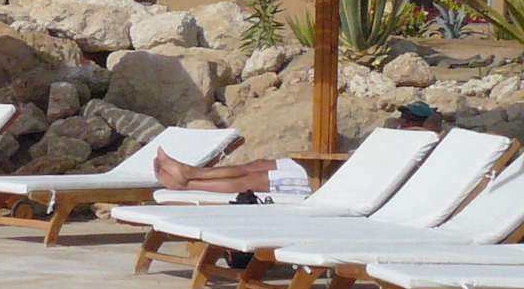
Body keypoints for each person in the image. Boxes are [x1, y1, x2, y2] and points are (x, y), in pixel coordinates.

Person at [152, 102, 442, 199]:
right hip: (332, 170)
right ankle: (190, 172)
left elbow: (430, 142)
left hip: (330, 182)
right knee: (257, 164)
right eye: (405, 117)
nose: (405, 122)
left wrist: (428, 128)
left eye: (413, 119)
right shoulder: (395, 138)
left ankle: (188, 184)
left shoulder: (426, 144)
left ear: (427, 123)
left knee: (253, 181)